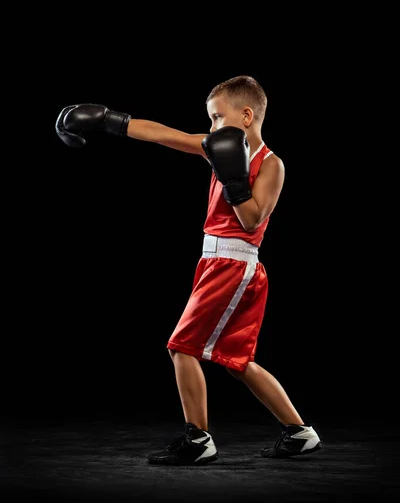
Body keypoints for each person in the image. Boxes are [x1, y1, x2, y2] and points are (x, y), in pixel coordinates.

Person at [55, 75, 322, 465]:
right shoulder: (216, 148)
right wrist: (109, 120)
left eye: (217, 118)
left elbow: (251, 220)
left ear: (246, 116)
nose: (212, 128)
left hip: (234, 264)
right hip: (215, 264)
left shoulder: (272, 164)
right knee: (236, 362)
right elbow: (164, 134)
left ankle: (198, 441)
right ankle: (300, 433)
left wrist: (234, 179)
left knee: (181, 348)